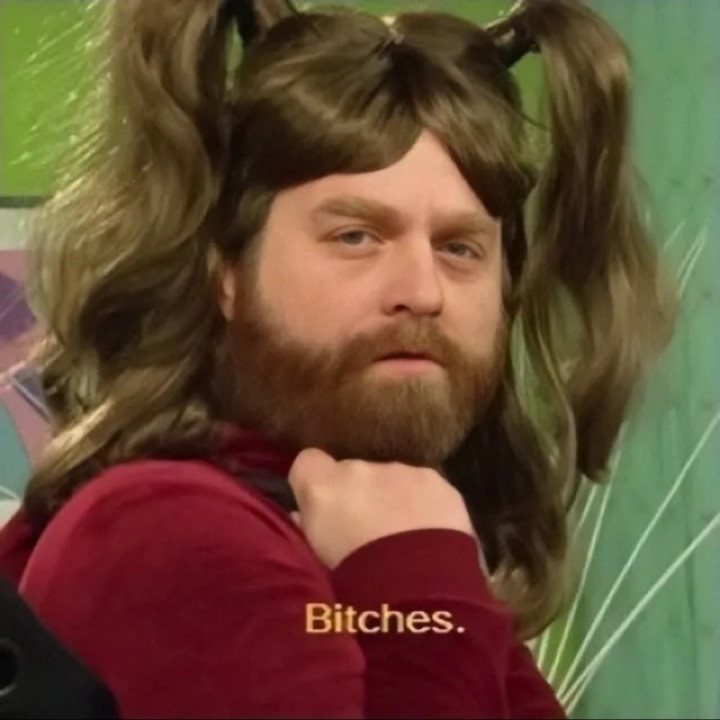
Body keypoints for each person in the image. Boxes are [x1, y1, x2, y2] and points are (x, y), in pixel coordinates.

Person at [0, 0, 677, 717]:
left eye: (459, 248)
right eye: (356, 237)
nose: (423, 292)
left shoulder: (375, 537)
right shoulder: (172, 534)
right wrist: (422, 596)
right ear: (225, 273)